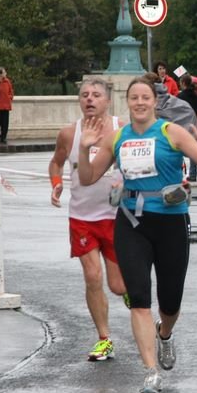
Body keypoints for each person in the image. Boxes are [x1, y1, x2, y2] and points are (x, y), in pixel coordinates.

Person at [76, 76, 197, 393]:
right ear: (127, 103)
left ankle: (165, 334)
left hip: (170, 222)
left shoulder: (172, 132)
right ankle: (151, 372)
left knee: (170, 301)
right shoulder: (117, 138)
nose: (140, 103)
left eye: (145, 98)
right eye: (134, 98)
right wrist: (85, 150)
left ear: (155, 102)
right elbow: (87, 178)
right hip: (131, 222)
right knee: (139, 297)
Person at [49, 79, 128, 361]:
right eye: (84, 95)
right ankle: (104, 338)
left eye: (96, 95)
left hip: (118, 216)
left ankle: (131, 294)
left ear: (108, 101)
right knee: (93, 276)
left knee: (118, 286)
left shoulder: (122, 129)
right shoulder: (70, 133)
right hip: (82, 216)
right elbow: (56, 162)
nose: (90, 99)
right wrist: (56, 182)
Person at [177, 74, 197, 182]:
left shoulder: (180, 97)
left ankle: (182, 173)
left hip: (185, 125)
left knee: (180, 147)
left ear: (182, 83)